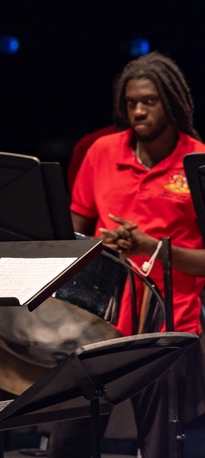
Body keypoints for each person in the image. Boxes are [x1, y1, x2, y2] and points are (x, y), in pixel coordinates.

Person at [48, 51, 205, 458]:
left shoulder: (196, 161)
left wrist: (149, 247)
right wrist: (99, 246)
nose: (137, 111)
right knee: (68, 440)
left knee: (160, 444)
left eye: (148, 102)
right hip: (99, 323)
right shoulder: (101, 152)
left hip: (169, 327)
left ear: (171, 103)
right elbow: (70, 235)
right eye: (131, 102)